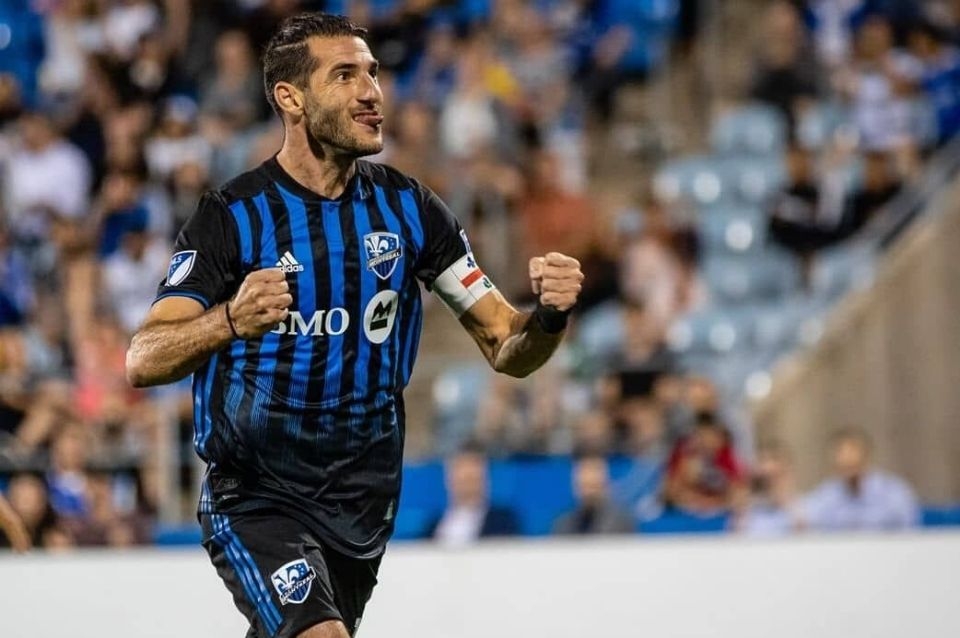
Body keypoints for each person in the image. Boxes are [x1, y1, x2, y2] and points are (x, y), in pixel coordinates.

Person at [125, 13, 583, 638]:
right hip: (256, 494)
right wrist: (228, 320)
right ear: (291, 98)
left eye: (372, 73)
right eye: (344, 75)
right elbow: (144, 357)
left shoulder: (411, 209)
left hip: (363, 506)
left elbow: (507, 345)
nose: (372, 92)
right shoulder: (231, 216)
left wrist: (549, 317)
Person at [802, 427, 918, 531]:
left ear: (866, 456)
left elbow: (910, 531)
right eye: (840, 453)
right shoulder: (827, 494)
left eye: (851, 451)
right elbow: (805, 520)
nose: (846, 459)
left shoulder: (894, 492)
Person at [427, 444, 520, 546]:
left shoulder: (502, 521)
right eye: (462, 476)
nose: (467, 483)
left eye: (472, 477)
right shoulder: (433, 524)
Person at [553, 455, 635, 536]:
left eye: (594, 486)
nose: (589, 494)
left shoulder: (620, 521)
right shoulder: (563, 524)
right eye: (585, 486)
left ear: (605, 486)